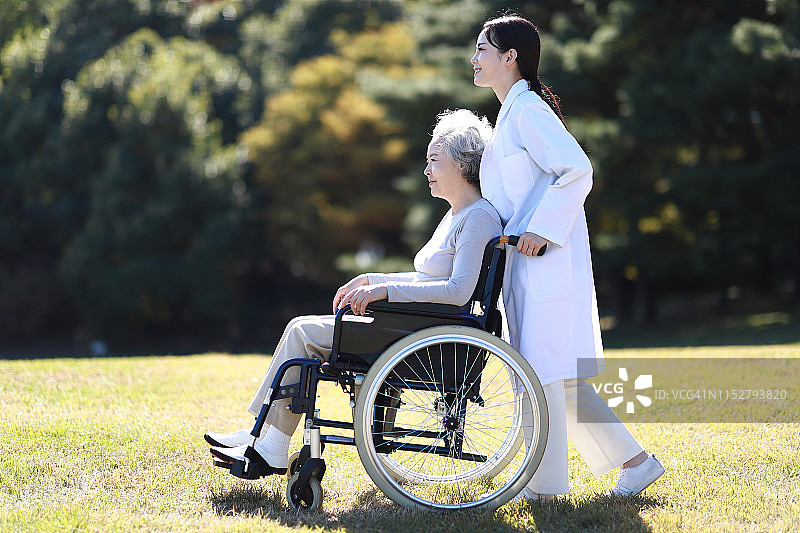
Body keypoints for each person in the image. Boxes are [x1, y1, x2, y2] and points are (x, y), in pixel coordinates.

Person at [206, 109, 502, 472]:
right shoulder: (457, 214)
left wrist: (385, 292)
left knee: (302, 330)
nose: (426, 170)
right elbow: (425, 278)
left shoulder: (478, 217)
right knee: (301, 327)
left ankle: (271, 442)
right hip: (411, 327)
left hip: (421, 335)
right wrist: (372, 280)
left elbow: (457, 292)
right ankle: (262, 435)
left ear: (461, 165)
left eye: (433, 161)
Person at [470, 14, 664, 500]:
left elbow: (577, 169)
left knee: (543, 372)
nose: (474, 59)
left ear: (509, 57)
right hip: (528, 261)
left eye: (482, 49)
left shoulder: (529, 110)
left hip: (545, 258)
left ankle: (544, 487)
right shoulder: (510, 115)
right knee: (557, 375)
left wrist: (540, 230)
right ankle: (636, 464)